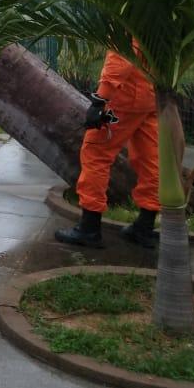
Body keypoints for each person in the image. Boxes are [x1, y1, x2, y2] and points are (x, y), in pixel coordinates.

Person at [55, 48, 160, 248]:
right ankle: (145, 226)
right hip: (151, 94)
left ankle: (89, 228)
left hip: (125, 97)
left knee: (96, 154)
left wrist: (100, 100)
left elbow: (122, 55)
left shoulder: (127, 17)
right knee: (150, 159)